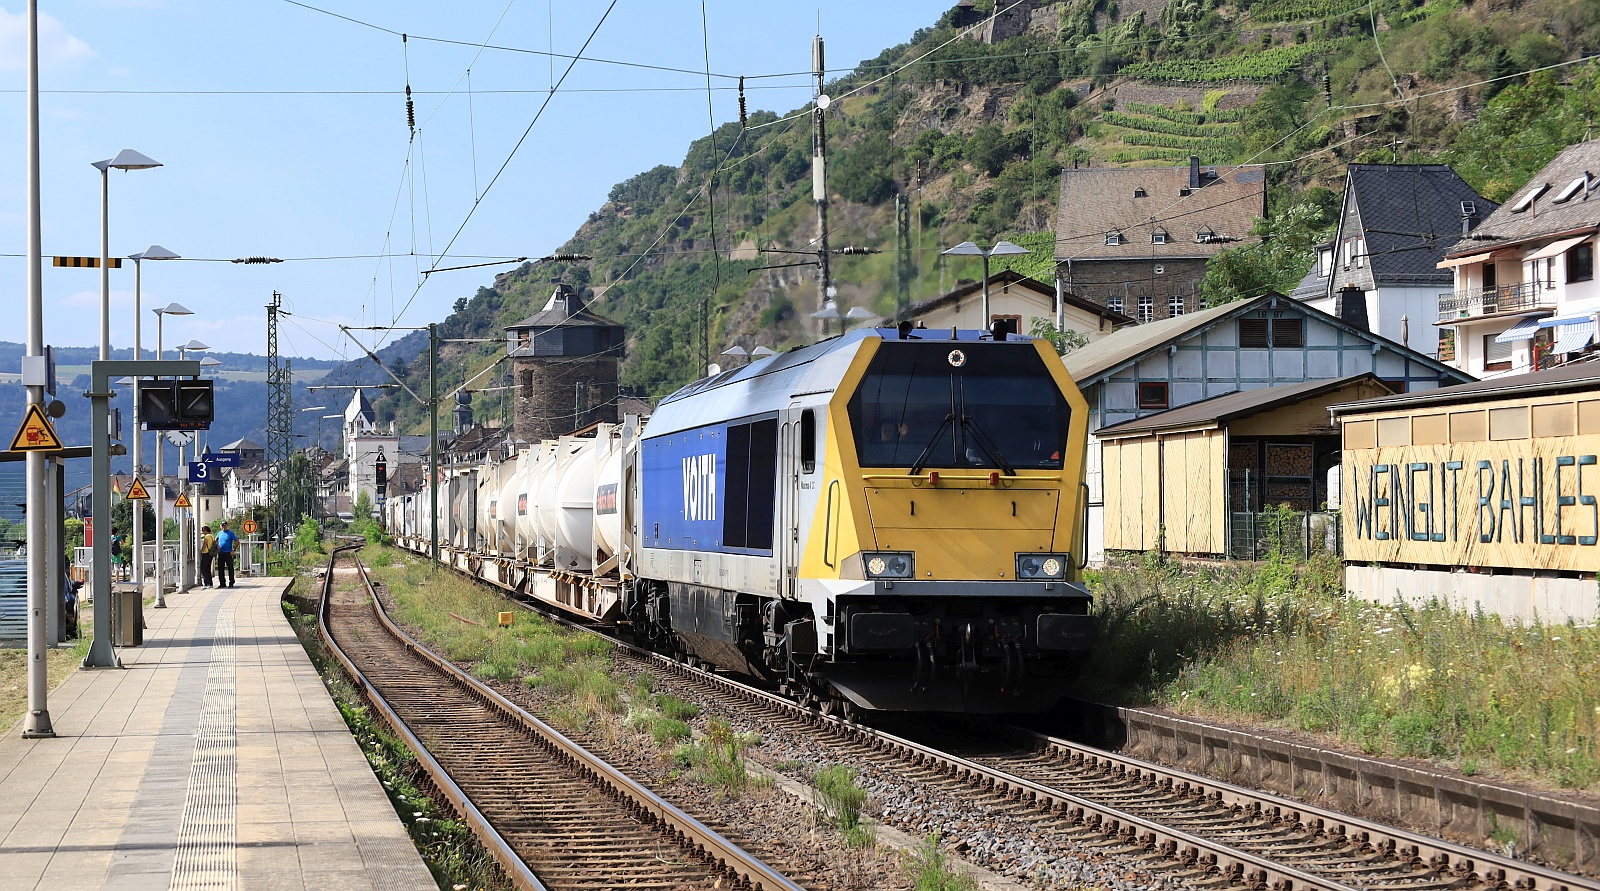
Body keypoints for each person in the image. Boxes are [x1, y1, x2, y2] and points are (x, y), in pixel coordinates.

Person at [216, 521, 237, 588]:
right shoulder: (219, 533)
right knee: (220, 568)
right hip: (221, 553)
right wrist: (217, 546)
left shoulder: (230, 533)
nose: (223, 527)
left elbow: (237, 541)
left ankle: (231, 582)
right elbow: (215, 540)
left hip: (228, 553)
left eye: (224, 525)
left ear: (227, 526)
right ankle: (222, 583)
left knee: (230, 568)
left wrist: (233, 550)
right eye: (222, 525)